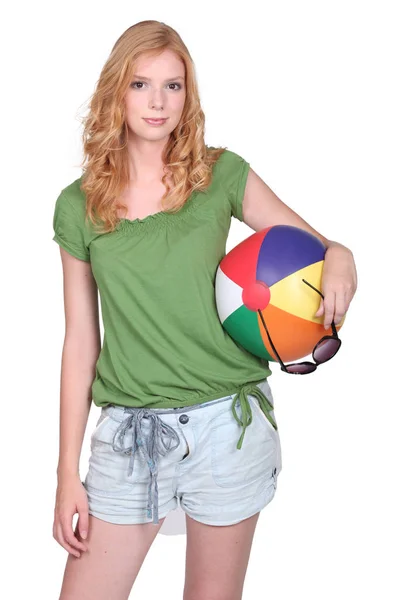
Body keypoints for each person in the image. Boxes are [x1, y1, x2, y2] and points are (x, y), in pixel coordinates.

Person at [52, 20, 358, 600]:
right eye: (141, 84)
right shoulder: (79, 207)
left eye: (174, 85)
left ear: (188, 94)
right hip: (128, 433)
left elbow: (315, 249)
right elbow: (79, 342)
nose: (158, 102)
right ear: (116, 89)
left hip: (228, 424)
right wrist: (67, 471)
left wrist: (342, 255)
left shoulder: (219, 174)